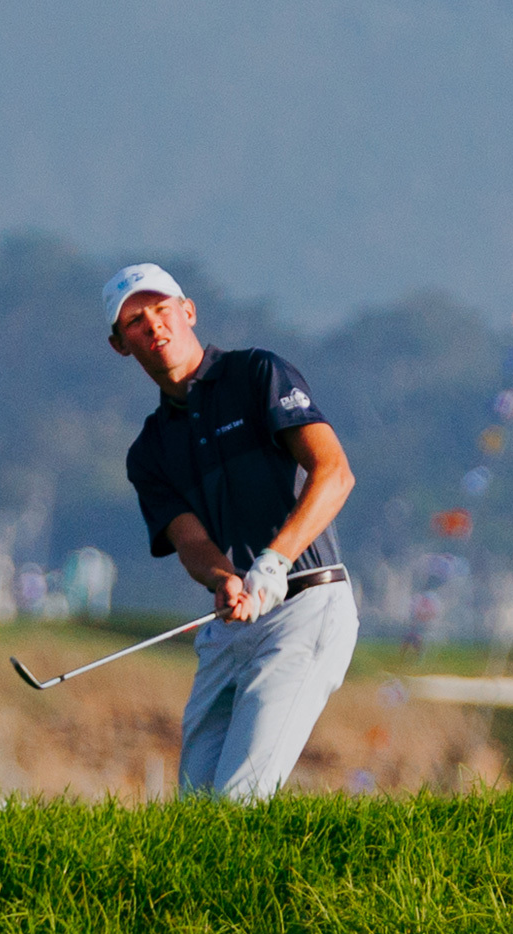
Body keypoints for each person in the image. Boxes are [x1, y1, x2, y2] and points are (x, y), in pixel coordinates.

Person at [105, 263, 358, 799]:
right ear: (120, 344)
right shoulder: (149, 451)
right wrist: (224, 578)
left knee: (237, 800)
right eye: (134, 321)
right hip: (229, 627)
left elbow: (334, 473)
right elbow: (192, 542)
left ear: (189, 311)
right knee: (196, 812)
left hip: (307, 604)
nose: (153, 326)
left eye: (162, 309)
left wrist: (274, 561)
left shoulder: (257, 375)